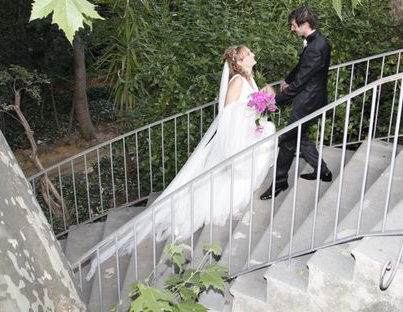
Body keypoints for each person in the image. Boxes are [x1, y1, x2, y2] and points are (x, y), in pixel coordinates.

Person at [86, 45, 276, 279]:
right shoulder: (237, 81)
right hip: (235, 137)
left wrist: (260, 106)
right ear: (240, 60)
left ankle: (232, 202)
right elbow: (227, 113)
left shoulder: (248, 77)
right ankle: (219, 205)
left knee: (238, 169)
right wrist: (253, 111)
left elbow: (247, 107)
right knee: (224, 173)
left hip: (246, 133)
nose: (254, 55)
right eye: (249, 54)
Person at [260, 6, 332, 201]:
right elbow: (302, 67)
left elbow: (301, 83)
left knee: (288, 141)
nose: (292, 29)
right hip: (312, 97)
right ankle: (323, 171)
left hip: (308, 101)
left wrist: (274, 101)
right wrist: (288, 78)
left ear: (305, 24)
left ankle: (280, 182)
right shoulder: (317, 40)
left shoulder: (316, 48)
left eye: (294, 25)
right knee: (300, 137)